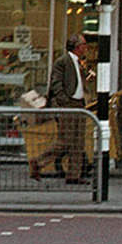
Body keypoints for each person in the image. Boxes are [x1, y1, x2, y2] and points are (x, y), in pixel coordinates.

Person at [35, 34, 90, 184]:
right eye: (84, 45)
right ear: (77, 47)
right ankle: (38, 162)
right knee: (65, 140)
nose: (86, 48)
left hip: (79, 104)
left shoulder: (80, 62)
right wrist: (64, 100)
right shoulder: (63, 62)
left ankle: (74, 175)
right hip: (68, 105)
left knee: (78, 142)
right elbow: (56, 83)